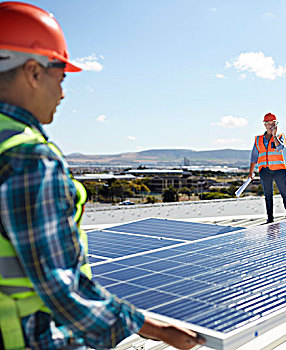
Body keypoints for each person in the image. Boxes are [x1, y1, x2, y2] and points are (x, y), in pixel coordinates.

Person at [0, 2, 205, 349]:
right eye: (60, 78)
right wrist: (153, 328)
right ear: (34, 72)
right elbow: (60, 288)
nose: (63, 93)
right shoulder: (28, 158)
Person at [248, 112, 286, 223]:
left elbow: (280, 148)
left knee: (284, 193)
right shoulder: (258, 139)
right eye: (268, 123)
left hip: (279, 170)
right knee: (268, 195)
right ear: (265, 124)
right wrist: (250, 172)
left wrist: (274, 136)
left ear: (275, 124)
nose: (270, 125)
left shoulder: (280, 136)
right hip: (265, 171)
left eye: (272, 123)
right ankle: (270, 218)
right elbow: (254, 156)